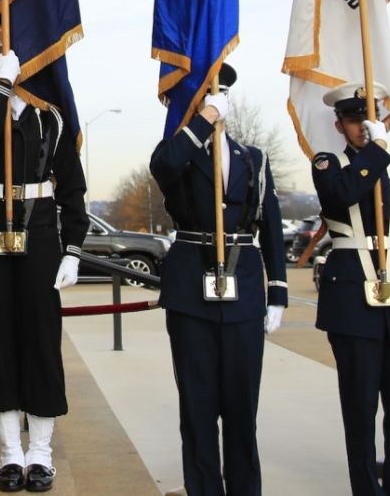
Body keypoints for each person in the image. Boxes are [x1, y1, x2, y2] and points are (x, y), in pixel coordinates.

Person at [0, 35, 88, 493]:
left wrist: (73, 249)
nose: (7, 64)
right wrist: (3, 87)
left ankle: (41, 453)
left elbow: (72, 189)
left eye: (12, 59)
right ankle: (11, 453)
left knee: (41, 340)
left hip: (40, 235)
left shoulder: (52, 119)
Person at [148, 64, 287, 496]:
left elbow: (271, 226)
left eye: (220, 95)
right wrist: (204, 120)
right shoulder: (178, 151)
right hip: (191, 289)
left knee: (243, 409)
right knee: (198, 408)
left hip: (243, 287)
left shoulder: (253, 158)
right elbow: (163, 165)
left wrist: (278, 292)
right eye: (208, 96)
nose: (216, 101)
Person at [311, 83, 390, 496]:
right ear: (340, 126)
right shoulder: (328, 164)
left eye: (371, 120)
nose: (363, 128)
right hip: (352, 300)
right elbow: (341, 195)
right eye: (354, 121)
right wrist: (377, 151)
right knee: (360, 410)